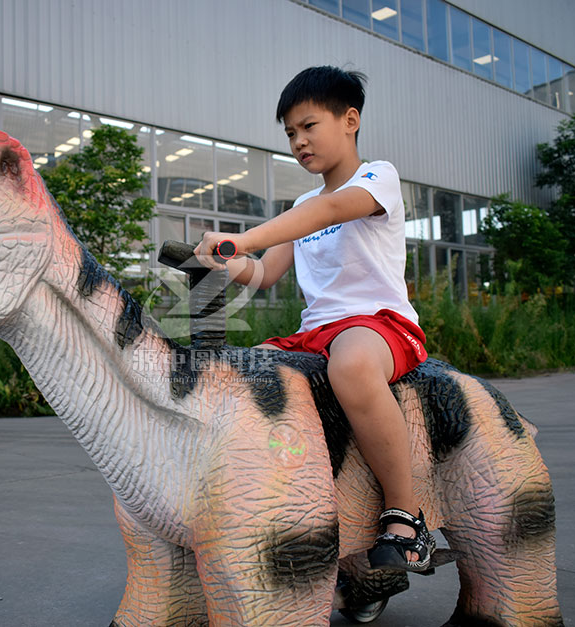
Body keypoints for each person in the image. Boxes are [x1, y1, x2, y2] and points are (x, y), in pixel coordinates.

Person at [194, 65, 434, 573]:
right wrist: (221, 257)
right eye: (289, 134)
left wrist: (245, 238)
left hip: (378, 324)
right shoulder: (301, 203)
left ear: (350, 120)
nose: (298, 142)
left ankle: (406, 514)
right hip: (314, 333)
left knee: (350, 365)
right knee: (238, 370)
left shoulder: (378, 178)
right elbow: (261, 272)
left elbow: (332, 211)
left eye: (308, 126)